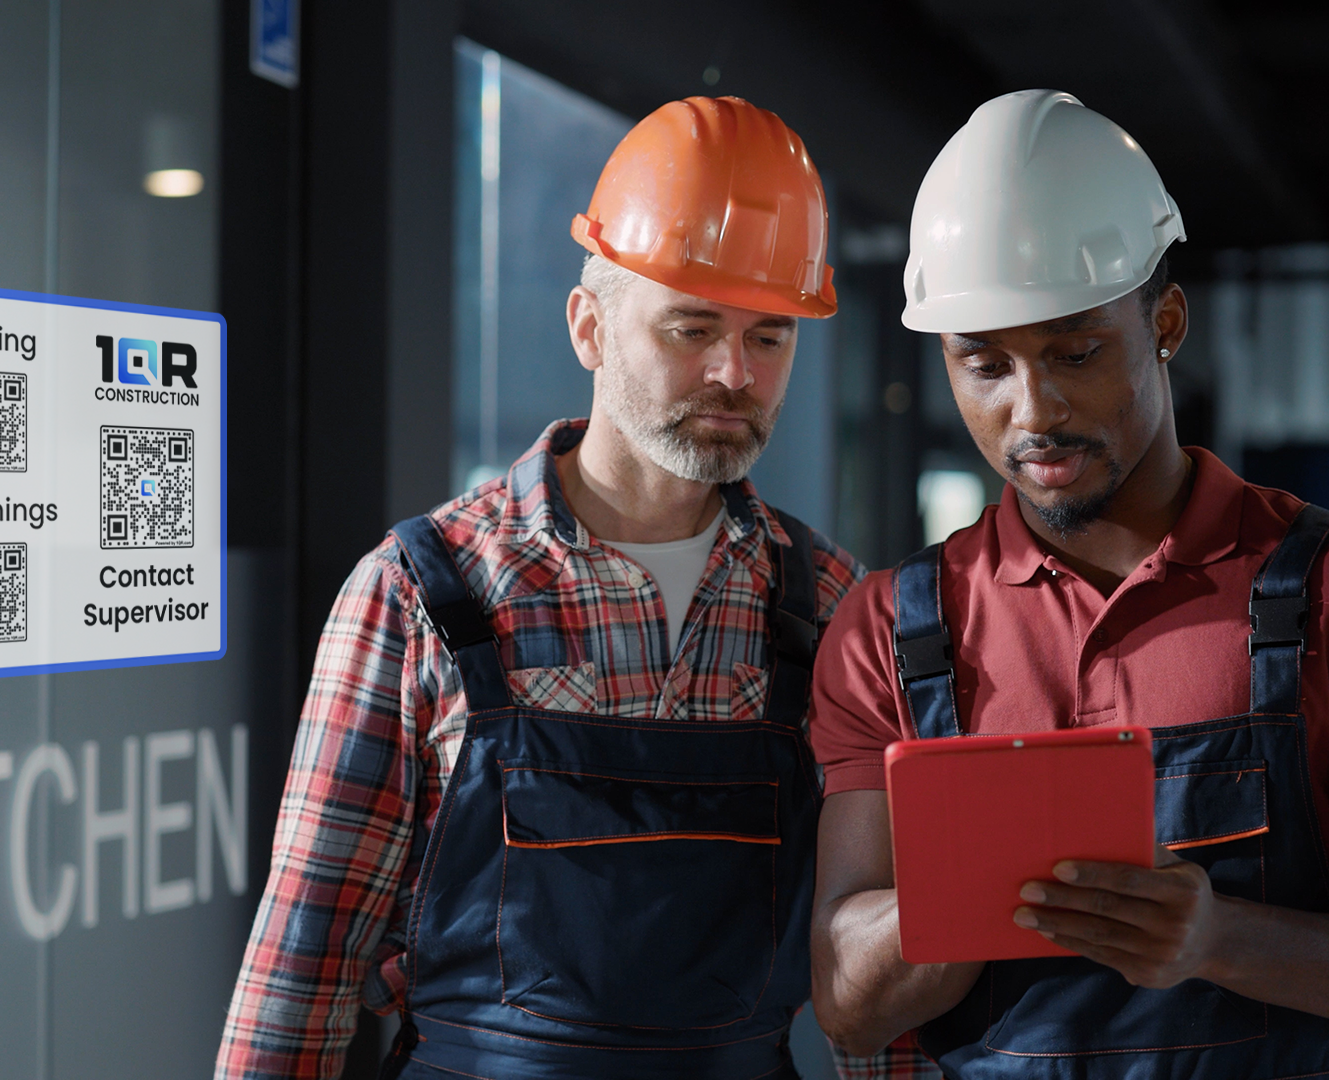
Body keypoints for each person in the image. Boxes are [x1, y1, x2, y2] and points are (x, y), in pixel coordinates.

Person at [807, 90, 1329, 1080]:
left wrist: (1218, 939)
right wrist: (968, 900)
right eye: (984, 364)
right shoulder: (892, 629)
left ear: (1165, 321)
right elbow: (846, 1010)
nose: (1032, 409)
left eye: (1076, 352)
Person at [216, 96, 861, 1080]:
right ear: (589, 327)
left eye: (770, 338)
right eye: (693, 327)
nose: (733, 372)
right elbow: (306, 961)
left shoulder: (826, 606)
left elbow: (882, 963)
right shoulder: (424, 594)